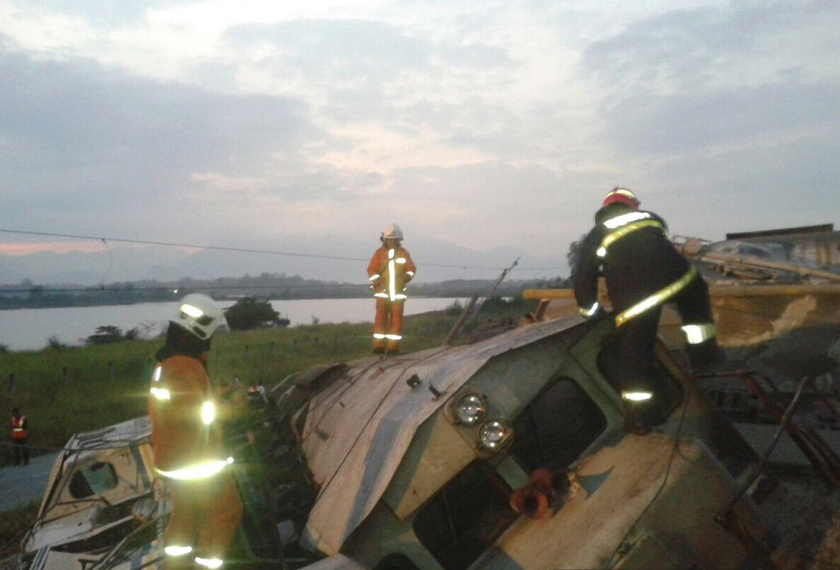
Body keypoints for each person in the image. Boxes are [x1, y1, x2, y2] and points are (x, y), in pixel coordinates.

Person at [573, 187, 719, 433]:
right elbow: (655, 249)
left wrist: (591, 313)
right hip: (678, 277)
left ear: (606, 209)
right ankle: (703, 357)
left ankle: (639, 418)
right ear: (632, 205)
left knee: (634, 355)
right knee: (695, 305)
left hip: (636, 298)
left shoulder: (598, 233)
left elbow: (583, 275)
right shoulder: (650, 218)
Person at [148, 293, 243, 569]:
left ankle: (176, 566)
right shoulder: (183, 367)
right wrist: (232, 408)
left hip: (172, 459)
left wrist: (217, 395)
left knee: (185, 514)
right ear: (199, 330)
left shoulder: (167, 363)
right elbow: (193, 414)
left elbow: (183, 404)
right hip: (195, 461)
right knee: (227, 511)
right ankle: (205, 565)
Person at [367, 223, 417, 355]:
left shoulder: (403, 253)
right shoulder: (379, 254)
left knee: (396, 321)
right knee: (380, 320)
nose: (392, 242)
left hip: (398, 294)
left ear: (399, 240)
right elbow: (371, 270)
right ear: (384, 239)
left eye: (395, 240)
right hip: (383, 294)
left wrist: (405, 278)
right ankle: (378, 347)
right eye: (390, 239)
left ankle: (393, 348)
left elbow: (411, 269)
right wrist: (378, 281)